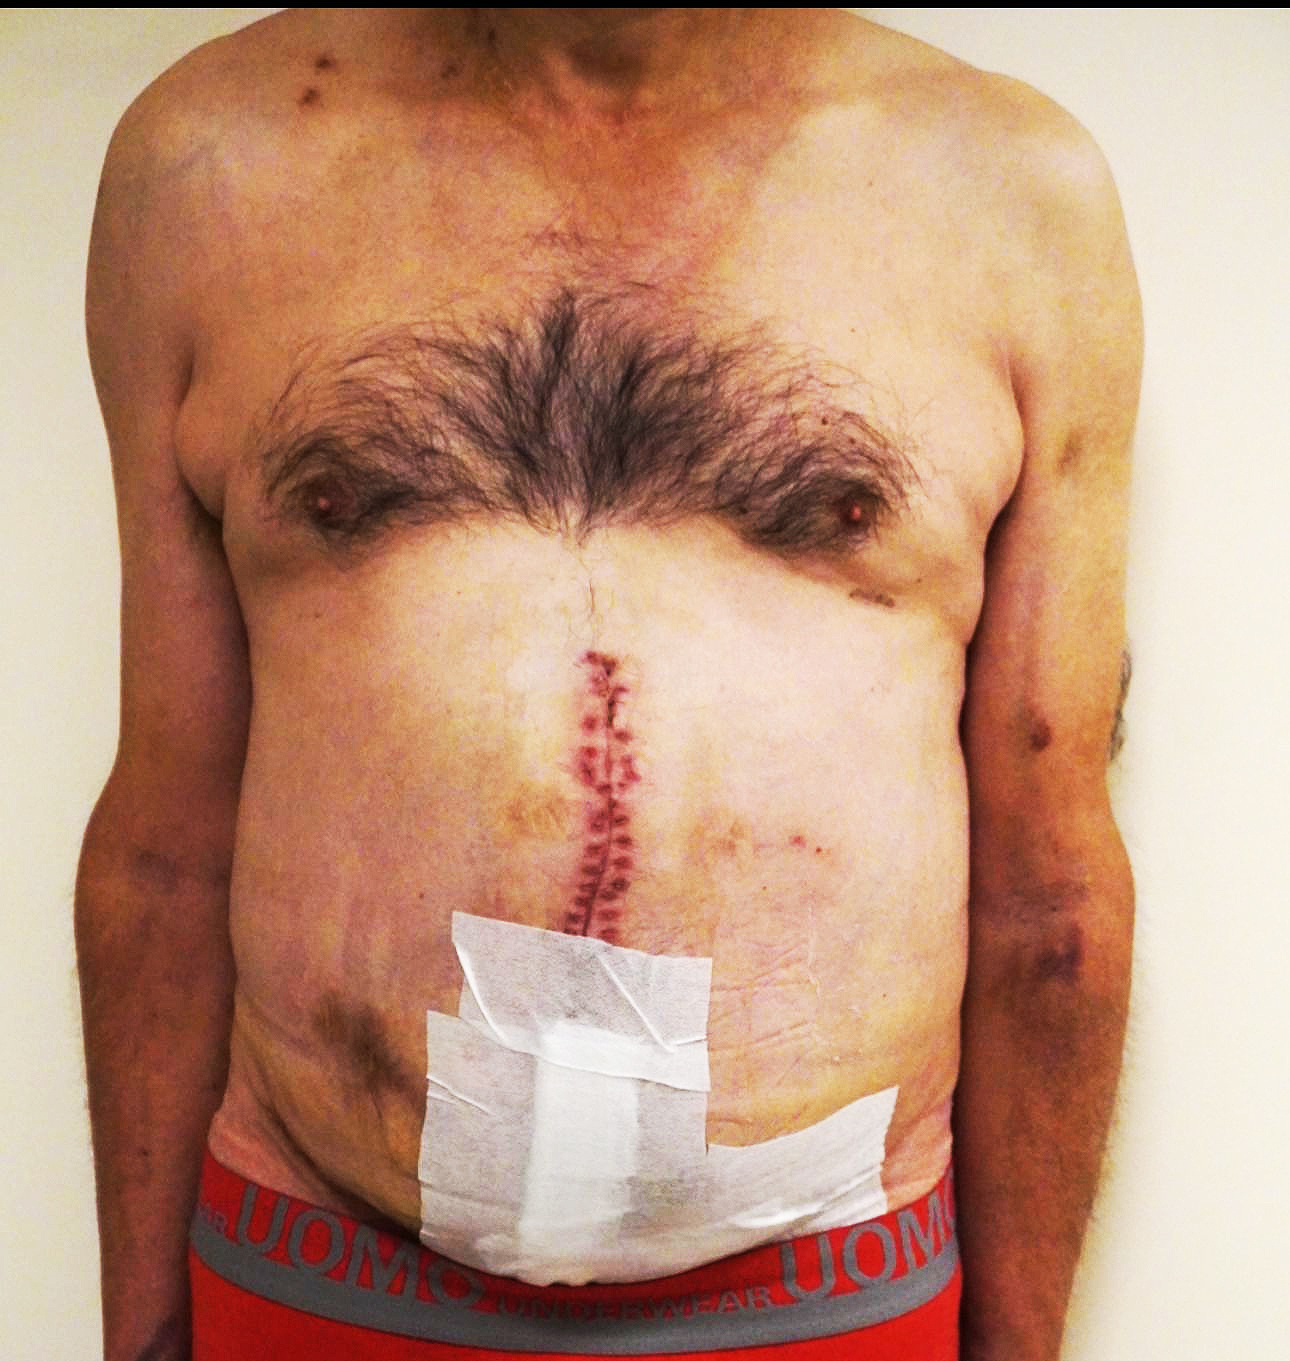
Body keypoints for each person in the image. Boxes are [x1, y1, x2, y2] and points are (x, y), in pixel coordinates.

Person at [76, 10, 1139, 1360]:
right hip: (318, 1264)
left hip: (823, 1291)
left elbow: (1048, 888)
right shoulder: (210, 168)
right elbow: (165, 849)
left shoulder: (1014, 196)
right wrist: (140, 1337)